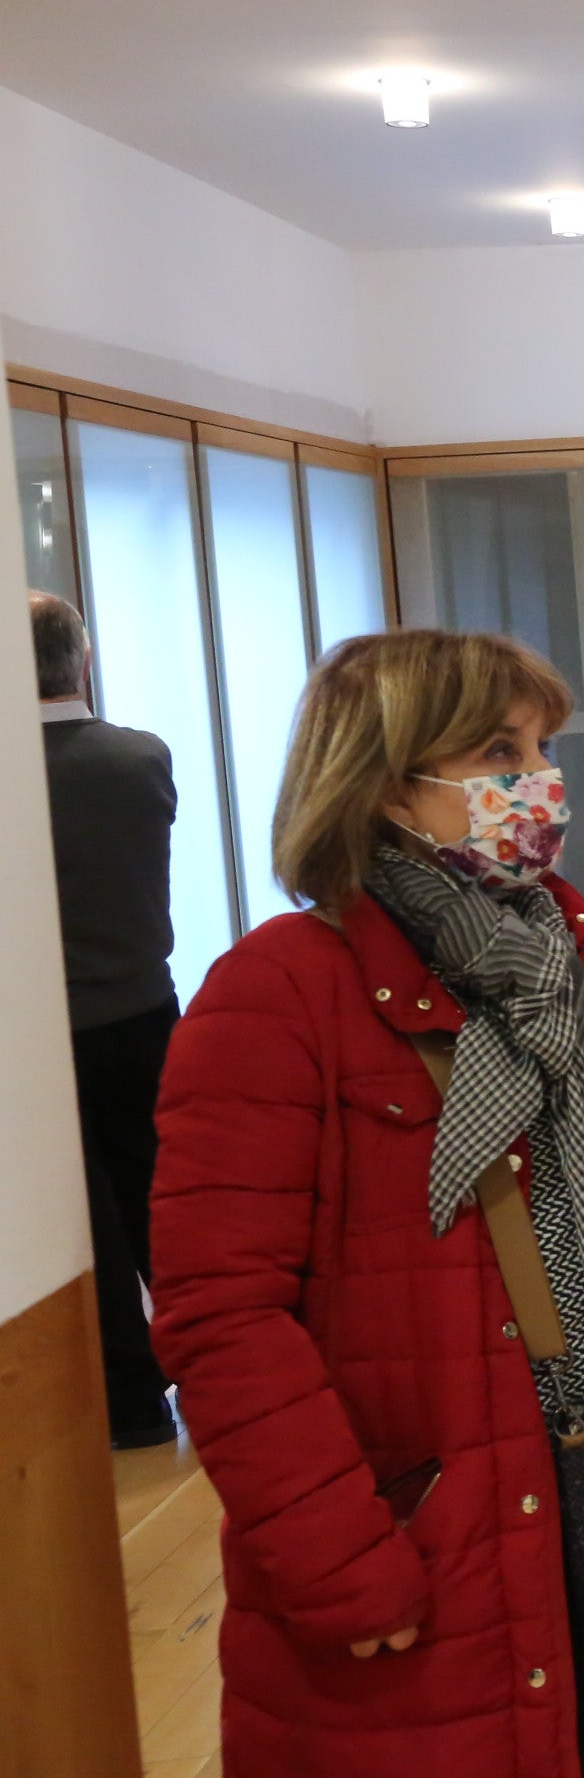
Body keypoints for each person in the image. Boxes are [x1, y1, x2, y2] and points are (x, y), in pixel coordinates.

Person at [146, 629, 584, 1778]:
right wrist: (335, 1558)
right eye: (498, 753)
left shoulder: (562, 943)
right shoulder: (277, 994)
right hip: (426, 1528)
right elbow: (221, 1319)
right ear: (386, 783)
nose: (540, 782)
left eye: (541, 748)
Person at [31, 590, 180, 1450]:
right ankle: (219, 1368)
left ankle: (132, 1405)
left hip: (43, 1039)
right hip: (147, 1011)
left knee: (85, 1220)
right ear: (82, 660)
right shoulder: (141, 756)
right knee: (165, 1199)